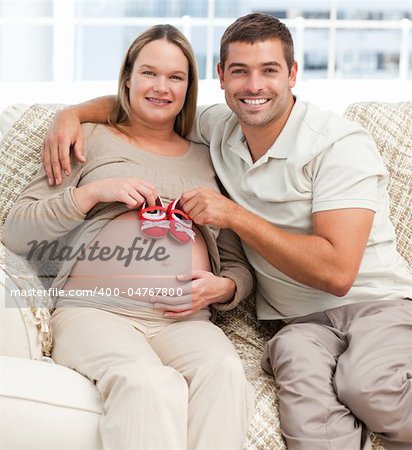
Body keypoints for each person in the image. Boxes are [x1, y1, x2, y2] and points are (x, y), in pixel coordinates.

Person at [39, 13, 412, 450]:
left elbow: (337, 273)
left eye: (269, 70)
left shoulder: (337, 144)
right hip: (295, 325)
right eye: (239, 71)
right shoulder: (219, 127)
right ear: (221, 77)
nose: (254, 86)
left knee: (367, 387)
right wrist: (71, 115)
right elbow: (150, 100)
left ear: (292, 74)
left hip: (375, 305)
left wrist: (233, 216)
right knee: (313, 432)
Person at [2, 24, 256, 450]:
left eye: (175, 77)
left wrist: (224, 287)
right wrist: (91, 193)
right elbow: (16, 232)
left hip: (184, 321)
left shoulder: (208, 157)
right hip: (96, 313)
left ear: (189, 87)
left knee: (225, 373)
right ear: (127, 79)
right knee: (146, 383)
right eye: (149, 73)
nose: (161, 87)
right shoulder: (89, 140)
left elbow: (237, 265)